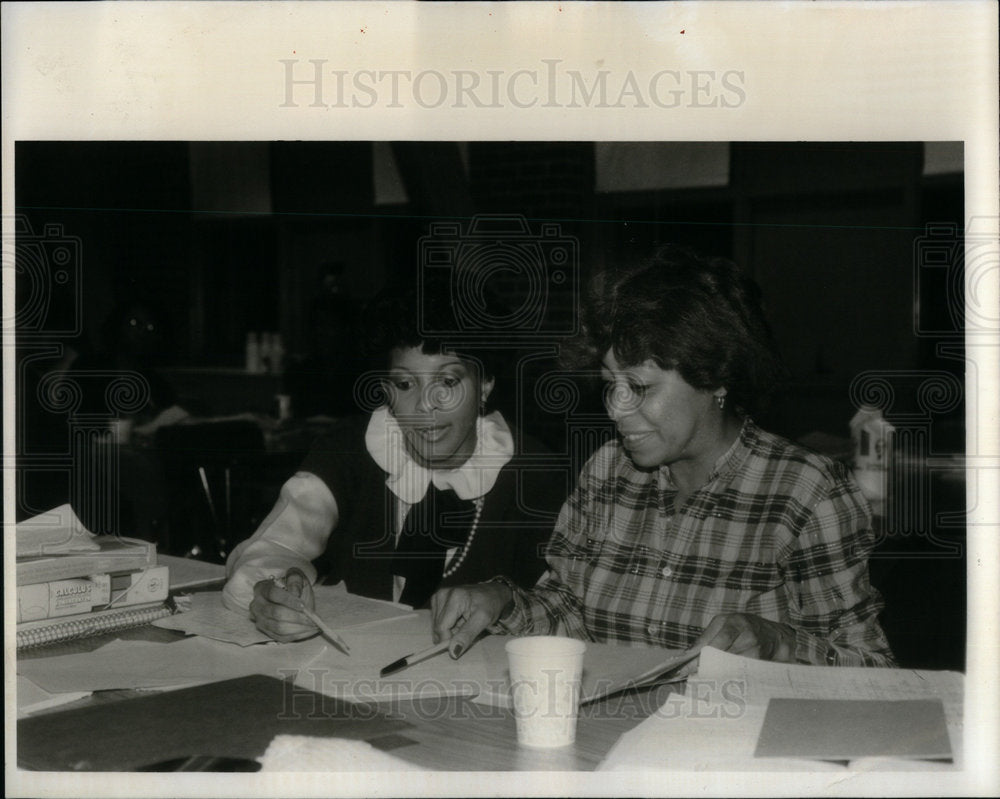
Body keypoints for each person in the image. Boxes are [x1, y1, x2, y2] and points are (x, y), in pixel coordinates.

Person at [431, 245, 896, 667]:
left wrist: (780, 644)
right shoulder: (607, 472)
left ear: (715, 377)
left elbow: (873, 670)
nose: (616, 408)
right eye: (610, 386)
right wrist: (503, 601)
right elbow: (568, 611)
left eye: (639, 387)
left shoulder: (808, 494)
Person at [223, 281, 564, 642]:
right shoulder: (350, 451)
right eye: (405, 384)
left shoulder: (536, 474)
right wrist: (270, 590)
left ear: (485, 385)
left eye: (447, 381)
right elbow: (272, 547)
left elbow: (564, 605)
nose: (424, 405)